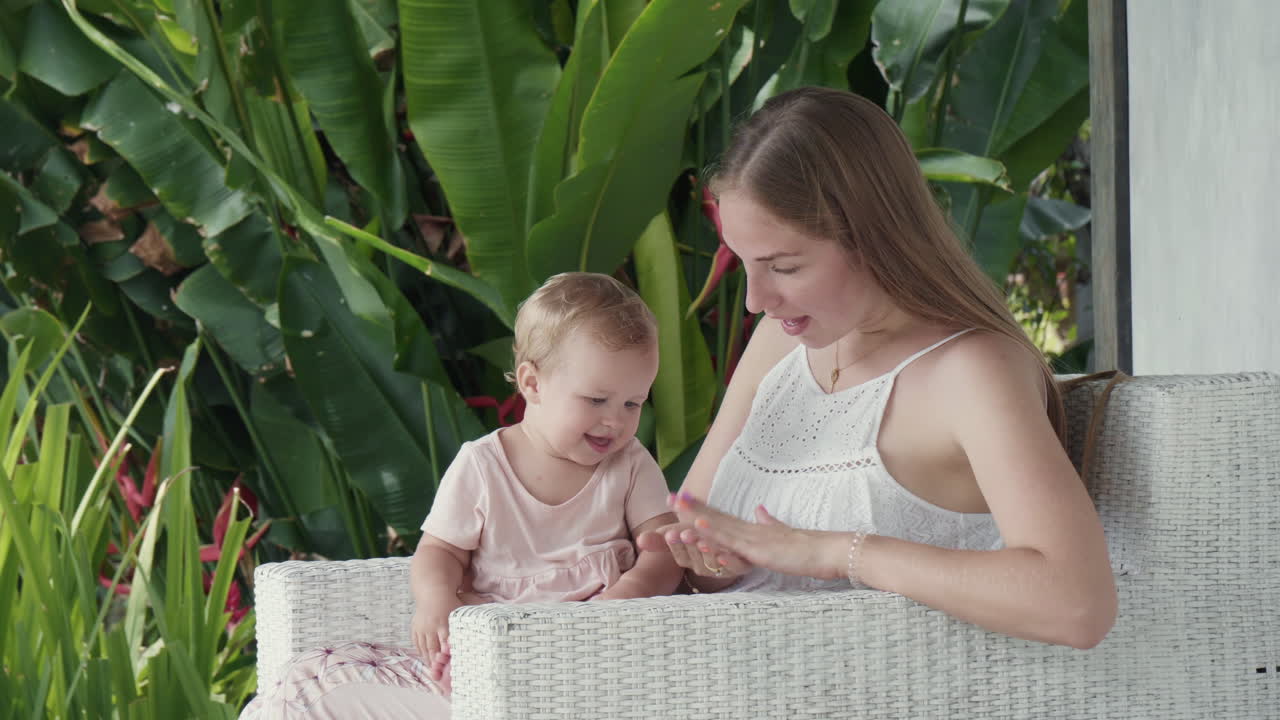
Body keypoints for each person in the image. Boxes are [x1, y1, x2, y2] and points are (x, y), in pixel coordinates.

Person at [634, 86, 1118, 650]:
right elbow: (698, 539)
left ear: (871, 238)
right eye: (745, 264)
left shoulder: (970, 371)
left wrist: (836, 552)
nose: (754, 300)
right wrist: (715, 565)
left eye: (784, 267)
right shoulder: (778, 344)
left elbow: (1077, 604)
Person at [242, 272, 683, 718]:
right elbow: (439, 551)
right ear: (532, 384)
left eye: (633, 403)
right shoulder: (483, 465)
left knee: (321, 691)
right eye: (596, 400)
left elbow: (663, 550)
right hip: (490, 654)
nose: (615, 421)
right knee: (310, 678)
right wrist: (437, 603)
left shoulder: (629, 465)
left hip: (589, 659)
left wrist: (625, 599)